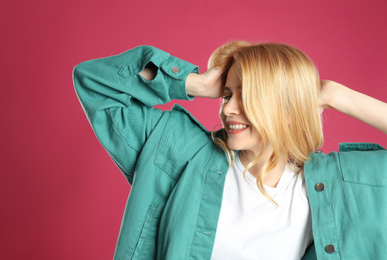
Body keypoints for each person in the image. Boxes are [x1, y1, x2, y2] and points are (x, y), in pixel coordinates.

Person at [72, 41, 387, 260]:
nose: (228, 109)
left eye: (247, 95)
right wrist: (196, 84)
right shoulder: (180, 151)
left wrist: (334, 94)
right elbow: (95, 84)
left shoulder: (337, 183)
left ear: (288, 109)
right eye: (226, 94)